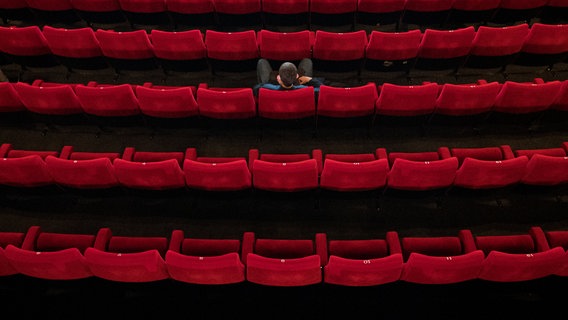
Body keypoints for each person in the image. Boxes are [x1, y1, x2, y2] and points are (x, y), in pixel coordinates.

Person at [253, 58, 323, 94]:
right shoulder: (306, 90)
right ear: (297, 76)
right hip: (298, 91)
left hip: (274, 90)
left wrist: (267, 84)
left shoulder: (267, 88)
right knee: (307, 61)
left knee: (262, 62)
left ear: (278, 78)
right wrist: (309, 79)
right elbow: (321, 89)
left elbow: (256, 88)